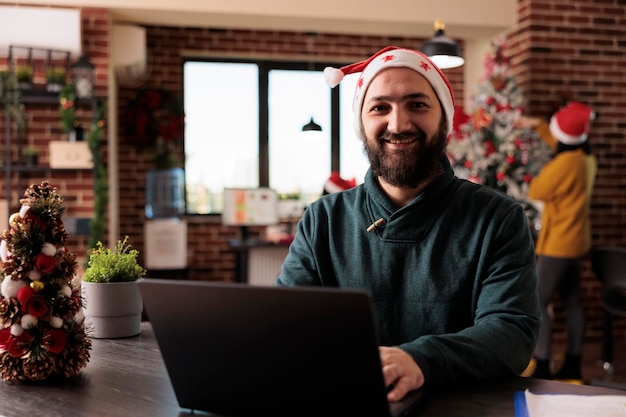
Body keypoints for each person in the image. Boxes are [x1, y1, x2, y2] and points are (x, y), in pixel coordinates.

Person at [275, 46, 541, 402]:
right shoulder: (322, 219)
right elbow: (285, 325)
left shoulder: (497, 219)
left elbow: (511, 333)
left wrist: (419, 361)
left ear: (444, 120)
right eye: (379, 107)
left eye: (417, 104)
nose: (398, 124)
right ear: (361, 124)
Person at [515, 102, 597, 381]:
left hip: (558, 245)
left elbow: (537, 189)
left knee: (536, 299)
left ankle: (543, 361)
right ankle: (574, 361)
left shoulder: (563, 164)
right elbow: (560, 141)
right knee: (573, 302)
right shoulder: (586, 158)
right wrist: (537, 126)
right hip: (578, 242)